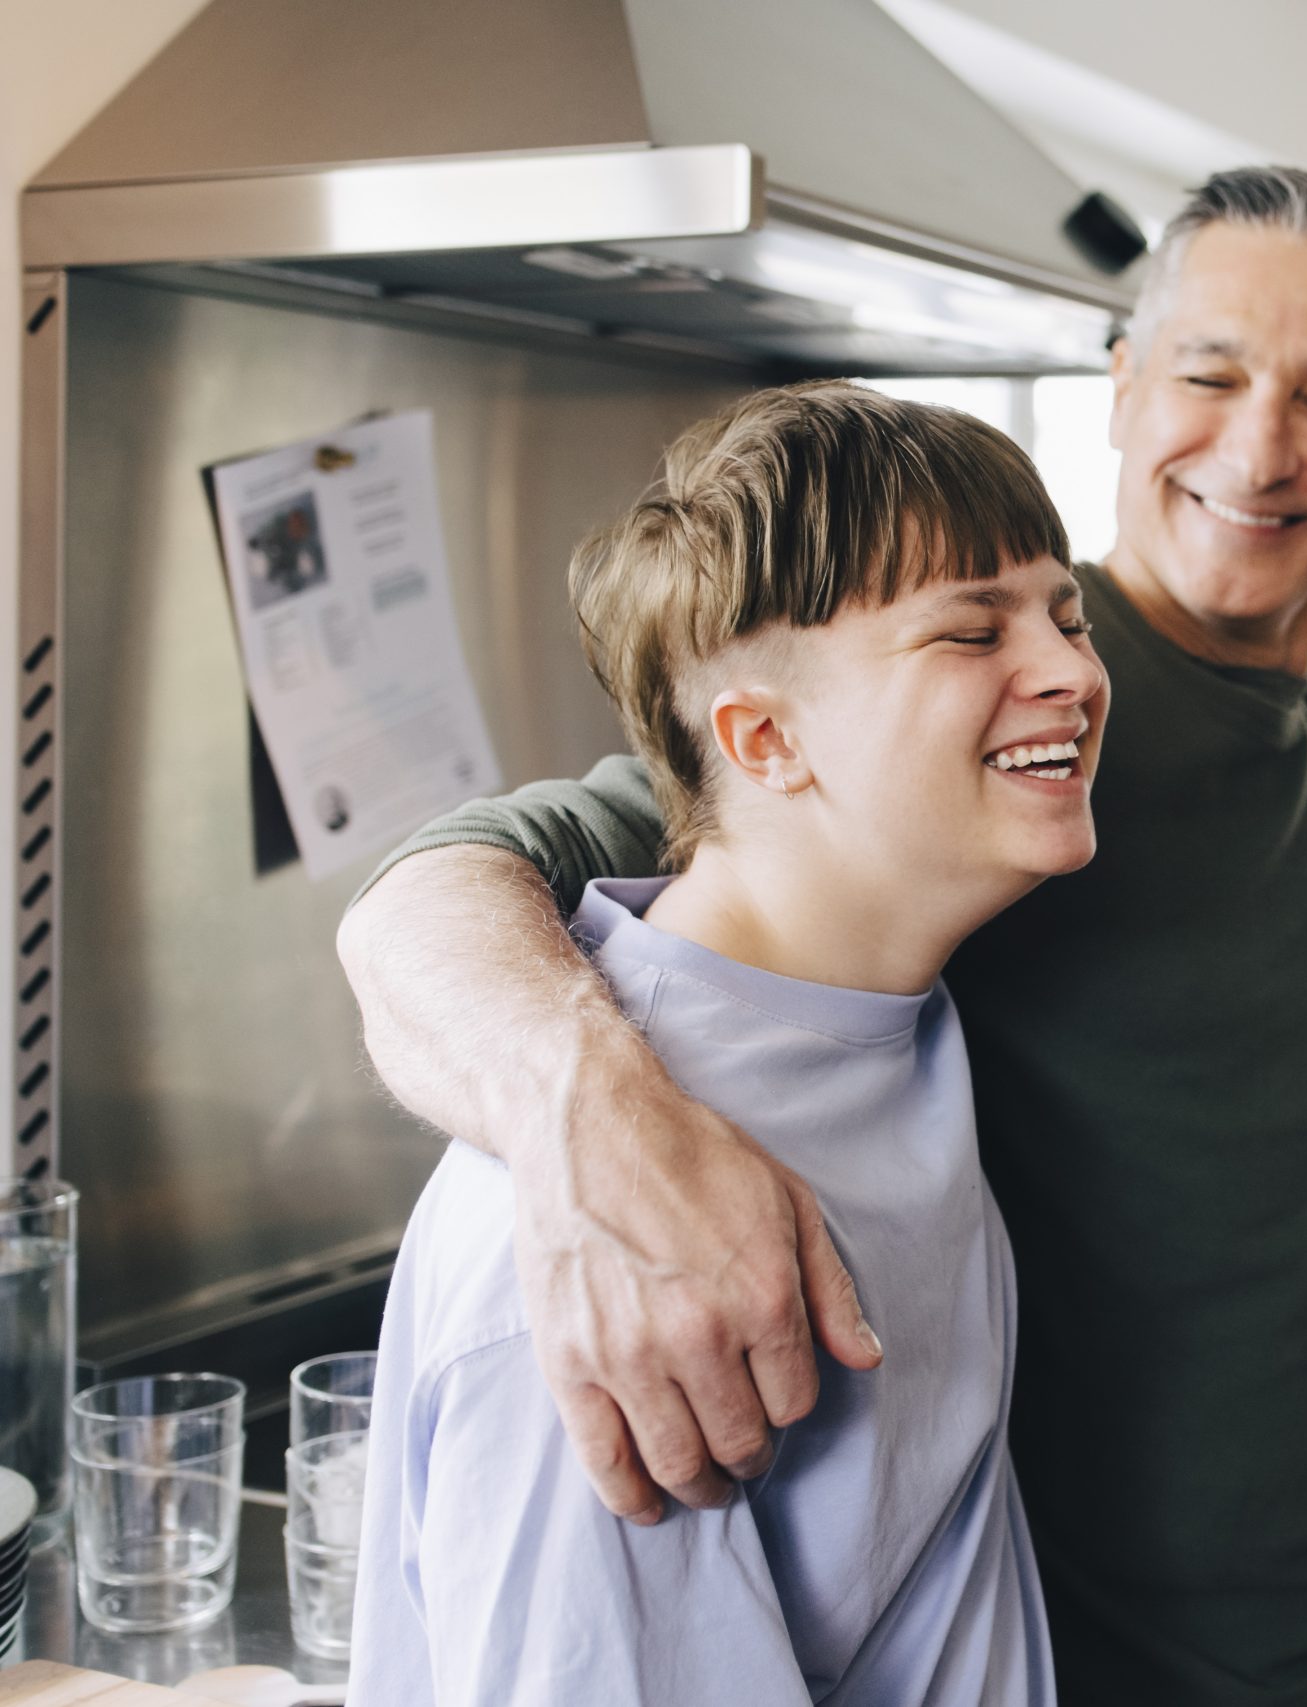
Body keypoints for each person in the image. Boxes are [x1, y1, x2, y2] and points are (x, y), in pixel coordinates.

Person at [339, 166, 1307, 1707]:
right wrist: (589, 1121)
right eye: (1209, 372)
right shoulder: (950, 737)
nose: (1259, 445)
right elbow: (437, 888)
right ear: (1121, 390)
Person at [347, 384, 1104, 1705]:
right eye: (972, 629)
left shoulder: (882, 1018)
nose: (1075, 673)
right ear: (764, 738)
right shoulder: (604, 1257)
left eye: (1067, 615)